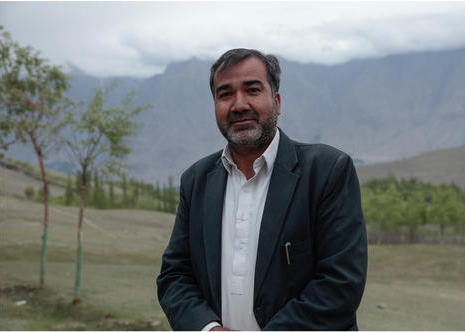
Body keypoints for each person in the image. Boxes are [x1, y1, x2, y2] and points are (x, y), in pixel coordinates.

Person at [156, 48, 367, 331]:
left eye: (252, 90)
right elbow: (175, 276)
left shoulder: (327, 171)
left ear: (276, 101)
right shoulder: (196, 181)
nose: (239, 104)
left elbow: (340, 284)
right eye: (225, 94)